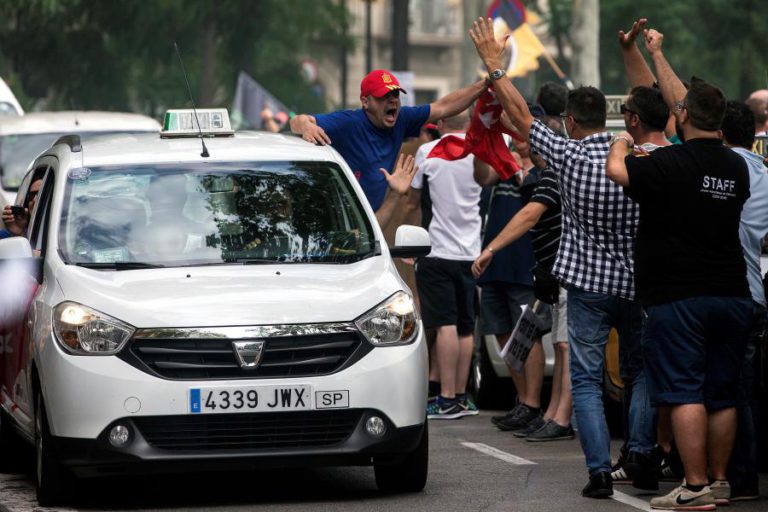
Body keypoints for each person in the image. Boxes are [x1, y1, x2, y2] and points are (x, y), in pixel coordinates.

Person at [469, 16, 655, 499]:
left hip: (587, 289)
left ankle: (597, 471)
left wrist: (494, 67)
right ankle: (638, 456)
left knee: (589, 382)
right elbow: (660, 111)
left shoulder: (568, 155)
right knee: (639, 376)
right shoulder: (638, 156)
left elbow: (522, 117)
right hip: (636, 285)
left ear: (571, 121)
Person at [605, 28, 752, 512]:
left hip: (678, 297)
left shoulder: (669, 163)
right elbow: (686, 107)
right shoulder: (736, 167)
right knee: (723, 394)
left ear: (683, 116)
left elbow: (618, 174)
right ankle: (718, 480)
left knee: (685, 391)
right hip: (732, 293)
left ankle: (692, 487)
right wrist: (656, 54)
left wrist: (623, 142)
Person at [472, 121, 574, 442]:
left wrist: (523, 175)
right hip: (495, 266)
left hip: (525, 266)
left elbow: (533, 214)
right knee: (503, 332)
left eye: (521, 135)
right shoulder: (504, 168)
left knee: (528, 332)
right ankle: (522, 401)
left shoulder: (544, 175)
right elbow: (481, 175)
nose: (516, 140)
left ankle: (533, 403)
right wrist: (481, 140)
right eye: (512, 135)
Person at [290, 69, 487, 227]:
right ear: (365, 102)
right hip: (333, 223)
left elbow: (444, 106)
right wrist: (306, 126)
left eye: (395, 95)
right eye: (384, 96)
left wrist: (486, 83)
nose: (393, 100)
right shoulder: (348, 122)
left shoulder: (402, 118)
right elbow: (297, 121)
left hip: (371, 224)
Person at [404, 112, 481, 419]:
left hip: (437, 251)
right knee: (465, 325)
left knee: (444, 324)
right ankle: (461, 396)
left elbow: (413, 198)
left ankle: (446, 397)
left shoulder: (428, 150)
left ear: (444, 123)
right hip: (472, 252)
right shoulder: (479, 149)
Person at [721, 100, 768, 502]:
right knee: (745, 387)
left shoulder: (711, 171)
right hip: (753, 290)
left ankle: (732, 476)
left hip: (716, 291)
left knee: (721, 390)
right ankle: (745, 474)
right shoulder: (764, 175)